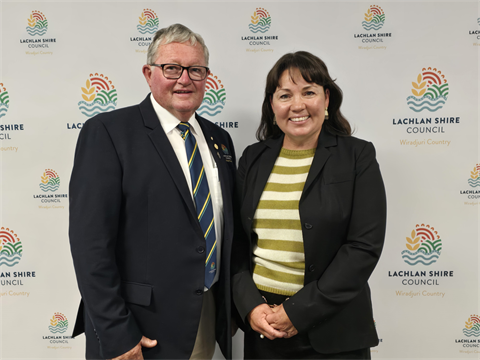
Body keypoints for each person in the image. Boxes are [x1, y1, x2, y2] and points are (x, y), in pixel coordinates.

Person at [69, 24, 236, 360]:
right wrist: (116, 333)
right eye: (172, 68)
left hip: (204, 317)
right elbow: (91, 246)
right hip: (137, 327)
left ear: (207, 77)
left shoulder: (221, 141)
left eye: (196, 70)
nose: (184, 79)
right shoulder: (109, 133)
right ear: (149, 74)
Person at [231, 51, 386, 360]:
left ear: (326, 99)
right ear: (272, 104)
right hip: (265, 329)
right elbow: (236, 245)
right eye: (285, 95)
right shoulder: (253, 158)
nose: (297, 105)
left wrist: (297, 311)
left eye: (309, 92)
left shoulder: (358, 157)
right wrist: (251, 307)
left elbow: (363, 247)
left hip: (334, 330)